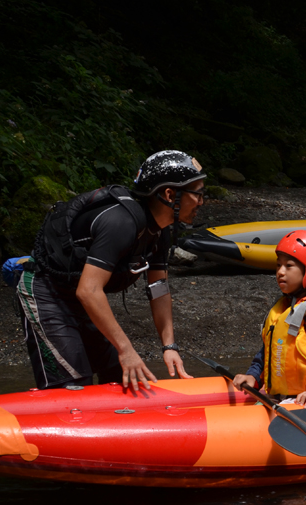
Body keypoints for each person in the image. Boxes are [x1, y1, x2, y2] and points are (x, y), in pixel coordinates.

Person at [18, 150, 205, 391]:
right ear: (169, 194)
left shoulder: (161, 231)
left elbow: (159, 289)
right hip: (47, 293)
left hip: (81, 297)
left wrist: (169, 347)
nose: (201, 202)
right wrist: (126, 349)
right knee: (75, 384)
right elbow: (88, 291)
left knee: (119, 377)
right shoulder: (121, 223)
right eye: (198, 194)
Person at [231, 230, 306, 408]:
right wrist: (253, 376)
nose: (280, 272)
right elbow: (270, 352)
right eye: (278, 265)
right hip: (279, 398)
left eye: (289, 266)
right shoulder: (284, 307)